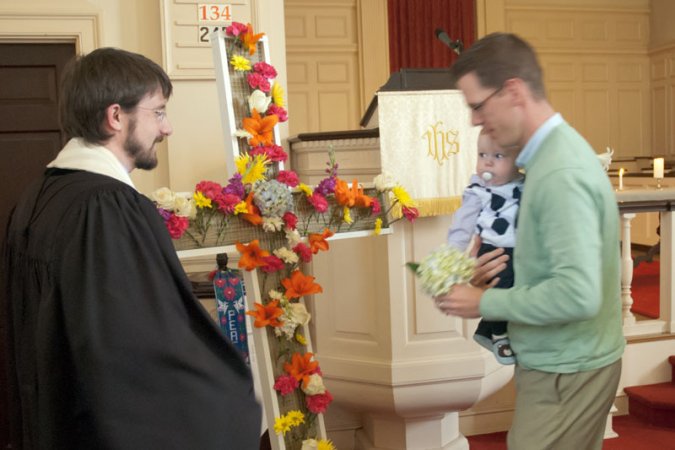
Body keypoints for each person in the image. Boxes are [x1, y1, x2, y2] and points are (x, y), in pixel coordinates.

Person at [3, 48, 261, 449]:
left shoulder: (38, 197)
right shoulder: (106, 210)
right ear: (116, 117)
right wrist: (231, 393)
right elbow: (139, 352)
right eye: (157, 112)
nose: (167, 127)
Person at [435, 33, 625, 449]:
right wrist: (486, 277)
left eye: (477, 106)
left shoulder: (559, 171)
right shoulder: (544, 159)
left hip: (568, 369)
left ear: (513, 91)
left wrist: (483, 303)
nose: (473, 120)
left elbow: (578, 295)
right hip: (561, 363)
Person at [446, 129, 523, 365]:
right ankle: (499, 333)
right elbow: (461, 227)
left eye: (498, 156)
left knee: (518, 285)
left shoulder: (526, 184)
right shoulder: (477, 191)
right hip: (493, 248)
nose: (487, 161)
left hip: (521, 249)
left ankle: (486, 331)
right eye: (482, 154)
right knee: (502, 281)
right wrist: (452, 260)